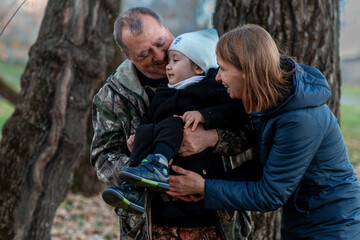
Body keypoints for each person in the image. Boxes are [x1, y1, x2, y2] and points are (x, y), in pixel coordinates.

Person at [167, 24, 360, 239]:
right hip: (303, 220)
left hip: (333, 227)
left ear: (247, 70)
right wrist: (207, 185)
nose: (218, 78)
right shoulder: (271, 105)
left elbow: (270, 194)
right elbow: (263, 167)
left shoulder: (299, 119)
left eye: (223, 68)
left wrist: (207, 188)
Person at [90, 7, 253, 240]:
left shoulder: (213, 71)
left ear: (167, 29)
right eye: (144, 53)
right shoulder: (113, 96)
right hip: (149, 225)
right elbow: (102, 157)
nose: (159, 56)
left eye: (161, 42)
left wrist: (211, 139)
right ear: (128, 56)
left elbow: (248, 130)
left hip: (216, 217)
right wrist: (145, 169)